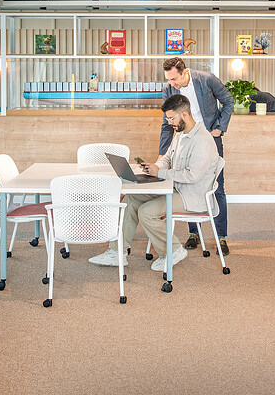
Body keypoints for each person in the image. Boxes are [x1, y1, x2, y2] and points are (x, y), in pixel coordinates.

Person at [88, 94, 222, 271]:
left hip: (192, 196)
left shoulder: (202, 140)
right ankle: (117, 251)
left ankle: (173, 251)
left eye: (171, 118)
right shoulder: (180, 134)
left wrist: (160, 172)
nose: (169, 122)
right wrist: (154, 167)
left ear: (184, 114)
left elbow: (192, 176)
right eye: (167, 118)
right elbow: (167, 158)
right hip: (175, 188)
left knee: (147, 212)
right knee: (130, 200)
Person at [159, 57, 234, 255]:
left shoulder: (207, 79)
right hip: (185, 140)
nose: (171, 84)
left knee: (216, 186)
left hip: (209, 138)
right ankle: (194, 233)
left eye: (174, 79)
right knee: (186, 185)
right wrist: (162, 153)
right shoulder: (169, 88)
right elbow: (167, 122)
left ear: (184, 72)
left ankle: (221, 236)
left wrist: (220, 127)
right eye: (169, 80)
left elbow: (228, 100)